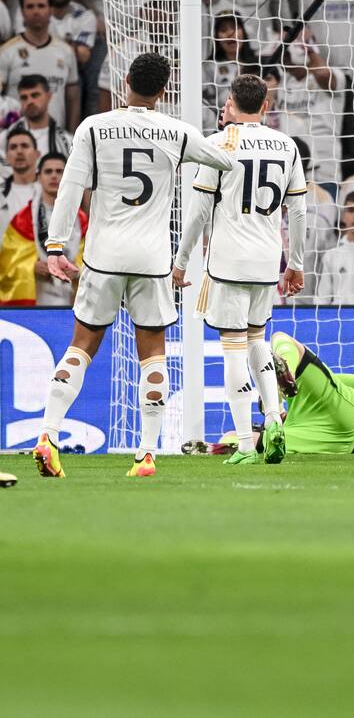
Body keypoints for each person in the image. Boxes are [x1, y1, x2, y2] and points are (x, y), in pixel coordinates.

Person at [31, 52, 235, 480]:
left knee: (82, 345)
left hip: (104, 255)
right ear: (164, 91)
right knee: (153, 352)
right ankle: (145, 453)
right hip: (152, 258)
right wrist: (232, 135)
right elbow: (224, 161)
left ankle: (48, 435)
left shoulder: (93, 127)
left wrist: (54, 246)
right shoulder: (177, 132)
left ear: (125, 81)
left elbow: (70, 187)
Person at [173, 74, 307, 467]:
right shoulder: (287, 145)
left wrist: (181, 262)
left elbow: (198, 211)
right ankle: (272, 417)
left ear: (231, 103)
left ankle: (247, 445)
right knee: (257, 339)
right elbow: (297, 211)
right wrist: (295, 264)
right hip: (268, 259)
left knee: (233, 348)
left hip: (229, 258)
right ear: (265, 106)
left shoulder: (218, 144)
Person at [256, 332, 354, 454]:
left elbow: (340, 382)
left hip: (331, 435)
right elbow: (341, 382)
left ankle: (278, 397)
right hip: (351, 438)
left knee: (248, 442)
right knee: (281, 338)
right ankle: (286, 380)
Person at [0, 152, 85, 306]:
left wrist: (78, 271)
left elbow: (94, 260)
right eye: (48, 171)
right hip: (38, 298)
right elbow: (7, 265)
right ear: (38, 177)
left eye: (60, 172)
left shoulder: (83, 221)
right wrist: (31, 267)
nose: (54, 176)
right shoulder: (22, 220)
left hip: (73, 299)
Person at [0, 0, 80, 130]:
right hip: (18, 138)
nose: (36, 11)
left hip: (57, 136)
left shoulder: (66, 51)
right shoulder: (6, 52)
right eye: (30, 7)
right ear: (22, 12)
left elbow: (72, 97)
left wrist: (73, 134)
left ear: (50, 10)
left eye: (41, 6)